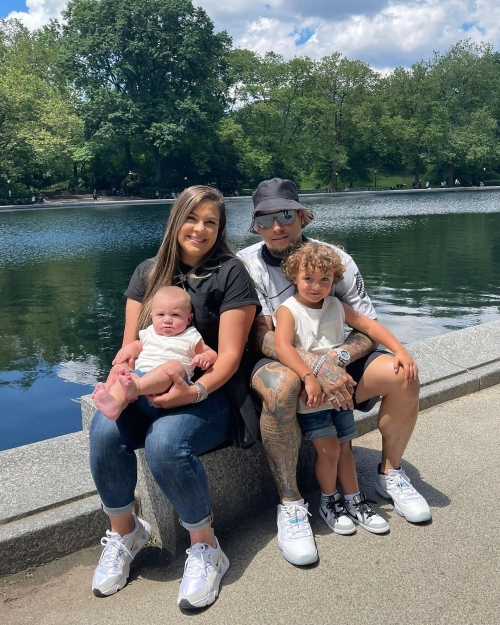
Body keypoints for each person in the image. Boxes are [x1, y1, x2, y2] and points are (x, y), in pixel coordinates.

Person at [237, 178, 431, 566]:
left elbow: (365, 326)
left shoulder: (331, 260)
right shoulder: (246, 264)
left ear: (303, 216)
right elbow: (261, 334)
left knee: (402, 373)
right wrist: (314, 367)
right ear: (254, 224)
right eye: (265, 219)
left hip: (334, 357)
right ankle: (291, 505)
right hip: (279, 359)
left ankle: (389, 473)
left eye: (287, 215)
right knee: (281, 385)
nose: (278, 226)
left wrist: (333, 361)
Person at [89, 185, 260, 608]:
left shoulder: (230, 273)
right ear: (175, 219)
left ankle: (205, 547)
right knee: (104, 429)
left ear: (220, 229)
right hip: (145, 385)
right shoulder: (148, 273)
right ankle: (124, 531)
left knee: (166, 443)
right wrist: (120, 385)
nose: (200, 229)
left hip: (210, 394)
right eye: (192, 218)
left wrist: (194, 391)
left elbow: (230, 358)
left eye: (211, 222)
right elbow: (128, 347)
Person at [274, 242, 419, 536]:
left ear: (334, 281)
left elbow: (369, 325)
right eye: (308, 279)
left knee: (344, 448)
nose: (316, 286)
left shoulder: (336, 306)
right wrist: (308, 374)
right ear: (294, 277)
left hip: (338, 392)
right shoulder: (289, 310)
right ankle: (330, 501)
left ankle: (355, 500)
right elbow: (282, 346)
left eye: (324, 280)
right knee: (327, 450)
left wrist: (400, 350)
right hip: (313, 395)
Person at [92, 286, 217, 421]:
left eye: (175, 315)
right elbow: (137, 345)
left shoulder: (191, 336)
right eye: (160, 315)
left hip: (171, 388)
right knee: (125, 375)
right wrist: (128, 350)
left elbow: (211, 353)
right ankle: (115, 404)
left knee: (173, 366)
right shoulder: (149, 333)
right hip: (138, 385)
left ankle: (136, 388)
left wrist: (204, 357)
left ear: (189, 318)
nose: (167, 320)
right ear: (152, 317)